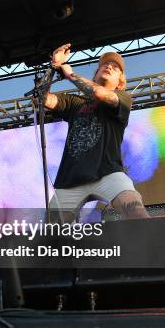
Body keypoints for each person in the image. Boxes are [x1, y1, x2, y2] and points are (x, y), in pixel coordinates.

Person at [43, 43, 149, 220]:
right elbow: (43, 99)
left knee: (135, 211)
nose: (108, 66)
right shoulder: (75, 103)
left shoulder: (123, 99)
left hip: (108, 173)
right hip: (70, 180)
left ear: (120, 83)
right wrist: (54, 66)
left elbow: (99, 94)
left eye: (115, 68)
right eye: (104, 65)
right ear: (96, 74)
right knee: (51, 235)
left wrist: (70, 74)